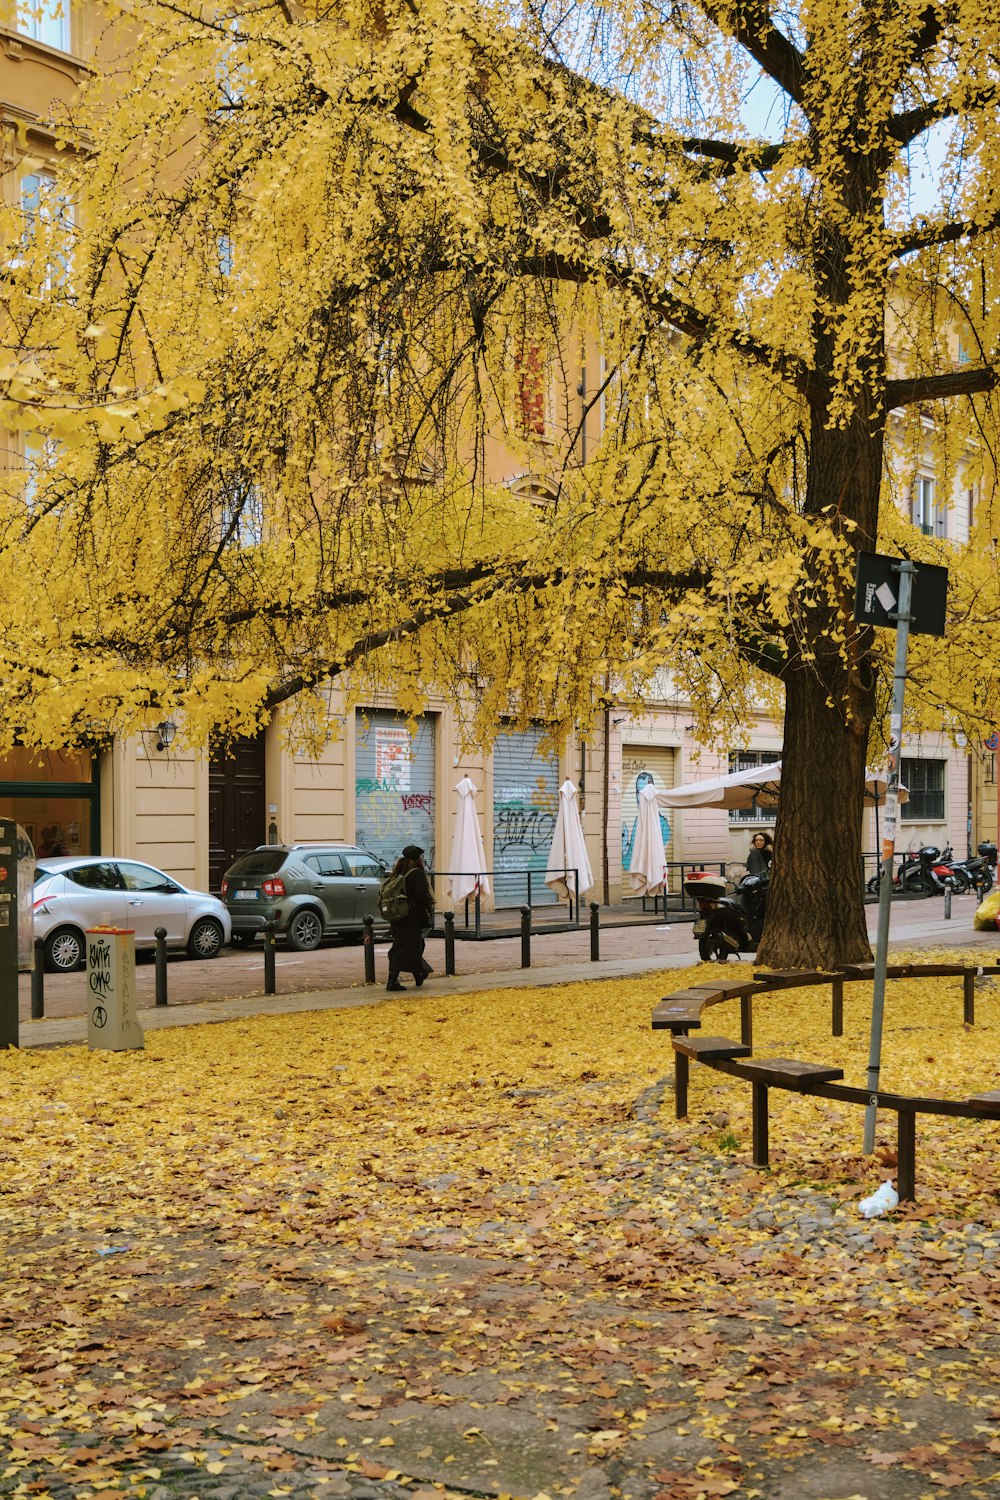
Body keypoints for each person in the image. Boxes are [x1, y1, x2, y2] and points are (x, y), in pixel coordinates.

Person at [386, 844, 436, 992]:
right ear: (417, 858)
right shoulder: (417, 873)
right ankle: (392, 980)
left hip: (398, 915)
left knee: (414, 945)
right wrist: (428, 908)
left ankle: (419, 973)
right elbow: (421, 894)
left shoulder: (399, 871)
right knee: (403, 948)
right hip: (411, 916)